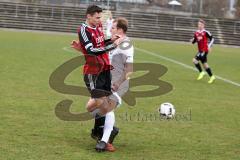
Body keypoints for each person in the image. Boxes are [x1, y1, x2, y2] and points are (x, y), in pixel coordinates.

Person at [94, 17, 134, 152]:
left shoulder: (126, 45)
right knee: (95, 108)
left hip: (117, 84)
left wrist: (117, 83)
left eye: (112, 27)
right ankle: (107, 132)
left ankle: (104, 141)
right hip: (105, 80)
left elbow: (129, 70)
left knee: (107, 107)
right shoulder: (114, 42)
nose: (110, 30)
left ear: (120, 30)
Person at [191, 19, 216, 84]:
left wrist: (209, 46)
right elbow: (194, 41)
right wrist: (192, 41)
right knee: (205, 64)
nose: (199, 25)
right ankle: (212, 76)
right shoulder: (196, 32)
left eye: (200, 24)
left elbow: (212, 39)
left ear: (203, 25)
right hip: (200, 50)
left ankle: (201, 72)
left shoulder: (206, 32)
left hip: (204, 50)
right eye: (198, 24)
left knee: (194, 60)